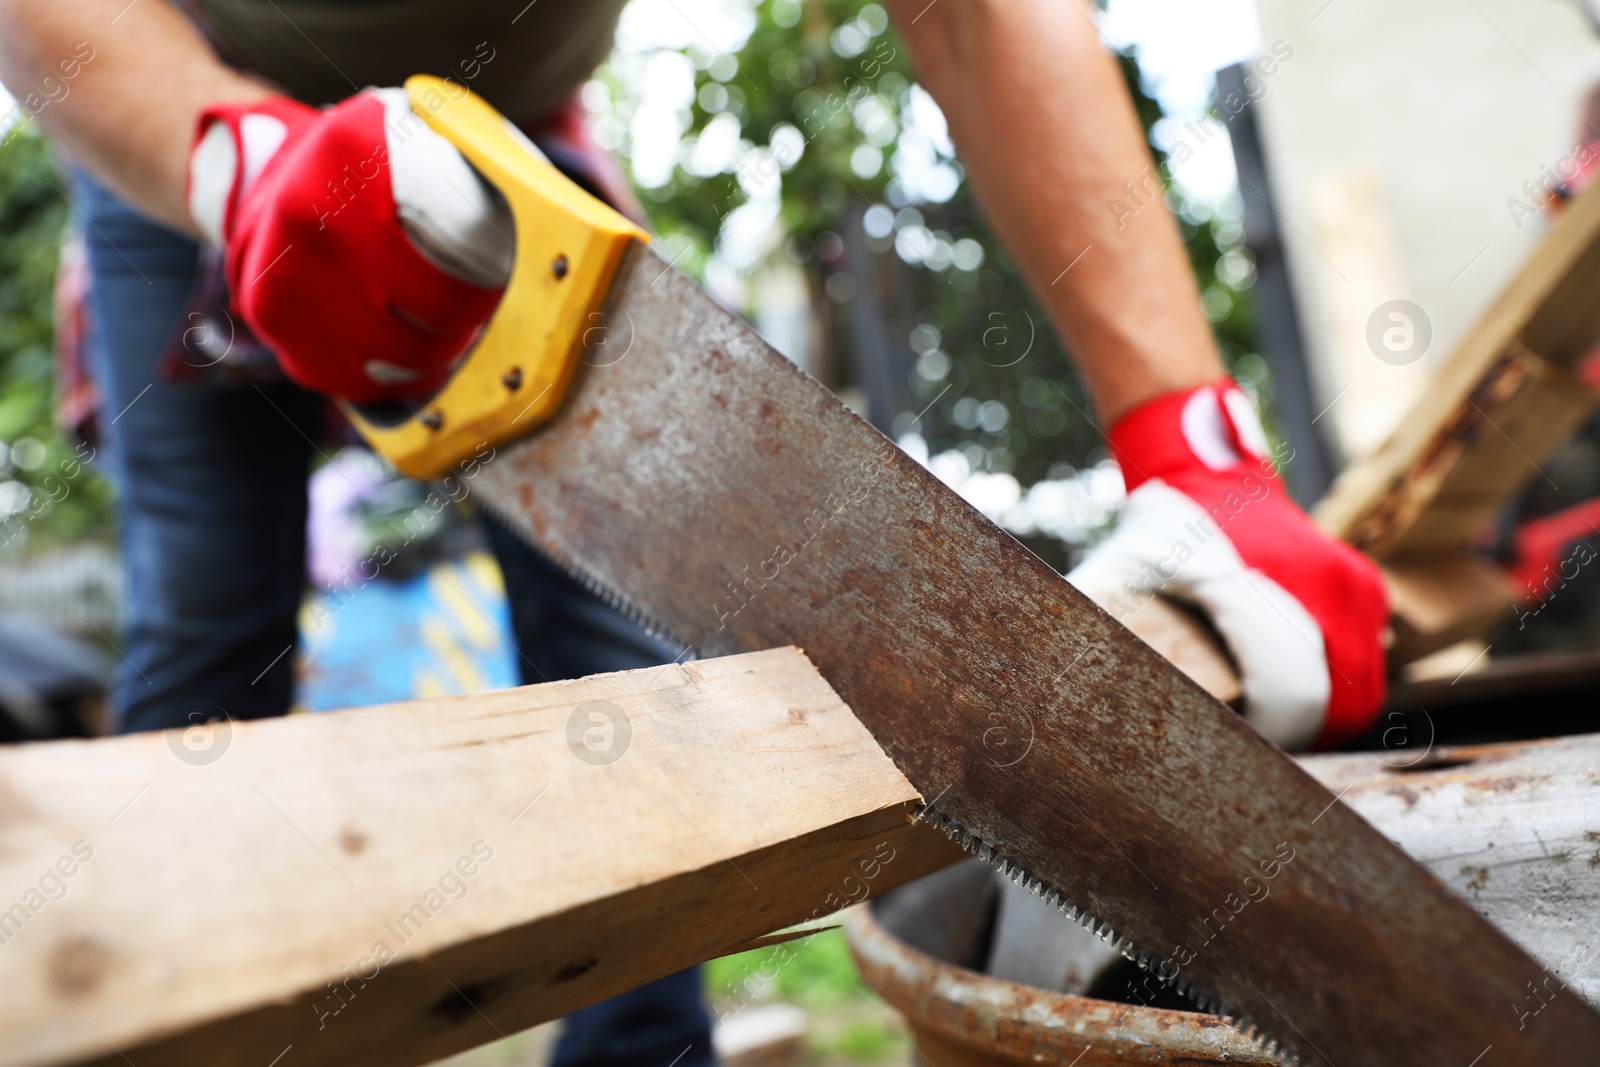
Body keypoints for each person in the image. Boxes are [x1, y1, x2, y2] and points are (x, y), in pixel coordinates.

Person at [0, 0, 1388, 1057]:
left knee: (620, 667)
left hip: (507, 143)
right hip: (165, 116)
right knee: (207, 622)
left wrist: (1193, 444)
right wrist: (234, 160)